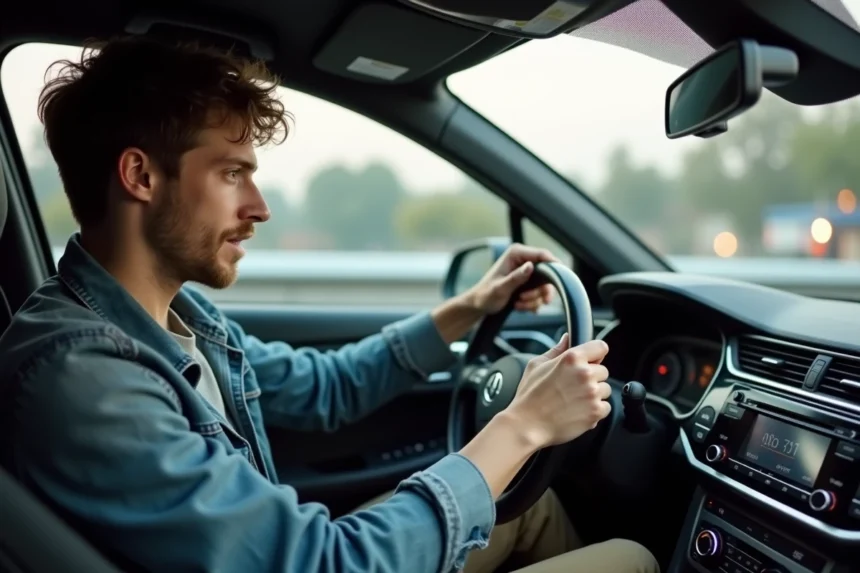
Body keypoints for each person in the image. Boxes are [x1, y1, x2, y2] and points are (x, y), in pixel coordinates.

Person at [0, 36, 659, 573]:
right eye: (232, 173)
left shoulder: (178, 323)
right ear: (141, 176)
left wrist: (471, 306)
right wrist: (524, 426)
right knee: (630, 558)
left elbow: (327, 387)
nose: (258, 208)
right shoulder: (83, 376)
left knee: (525, 507)